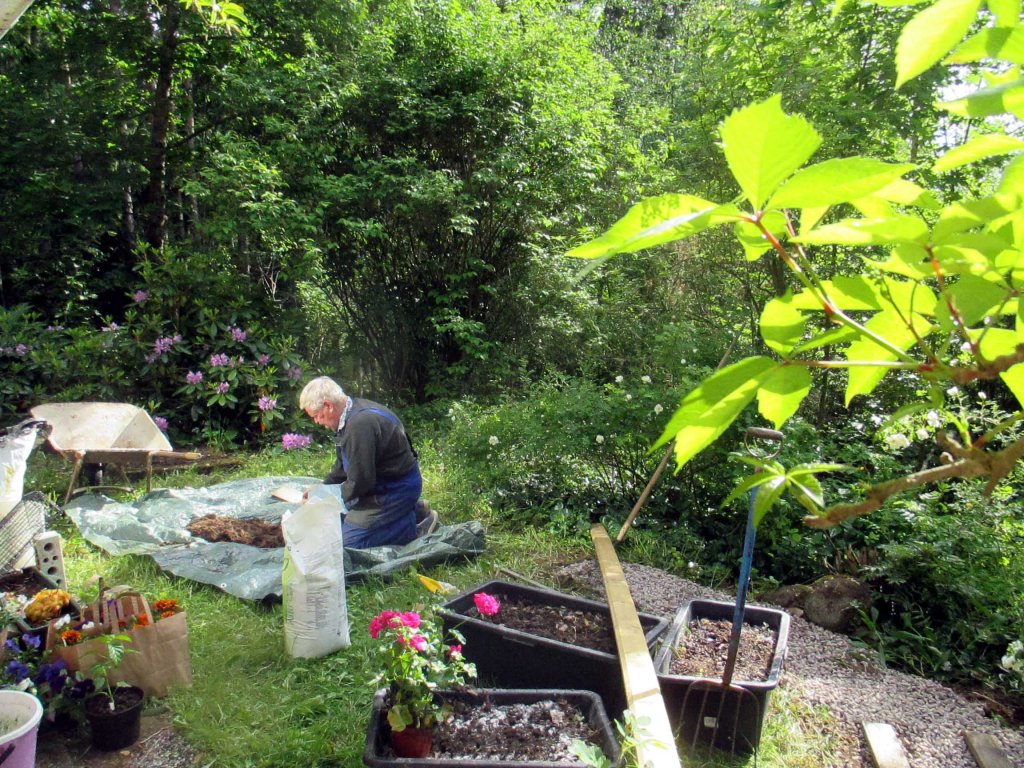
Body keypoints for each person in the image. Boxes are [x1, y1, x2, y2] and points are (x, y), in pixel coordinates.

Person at [299, 376, 438, 548]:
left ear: (328, 406)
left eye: (317, 416)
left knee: (346, 544)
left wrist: (329, 497)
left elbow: (361, 482)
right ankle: (415, 510)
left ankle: (414, 527)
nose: (317, 422)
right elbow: (343, 465)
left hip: (396, 488)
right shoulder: (349, 413)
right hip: (380, 484)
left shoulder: (359, 426)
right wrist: (322, 487)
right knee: (335, 519)